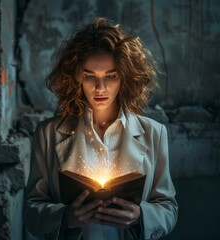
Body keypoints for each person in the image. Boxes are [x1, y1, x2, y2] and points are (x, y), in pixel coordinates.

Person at [23, 17, 178, 240]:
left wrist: (140, 215)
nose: (100, 88)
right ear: (77, 77)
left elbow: (169, 209)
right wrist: (66, 217)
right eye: (90, 76)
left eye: (110, 76)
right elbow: (31, 211)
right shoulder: (48, 134)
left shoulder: (154, 133)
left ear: (124, 77)